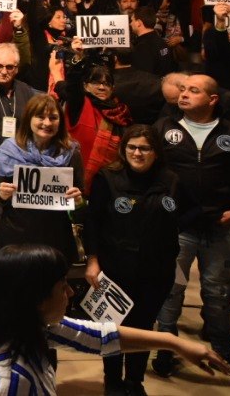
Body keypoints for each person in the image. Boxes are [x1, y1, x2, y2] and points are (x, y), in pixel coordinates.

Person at [0, 244, 230, 395]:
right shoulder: (12, 378)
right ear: (35, 298)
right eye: (62, 286)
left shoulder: (26, 328)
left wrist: (174, 342)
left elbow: (98, 336)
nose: (71, 293)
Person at [85, 124, 189, 395]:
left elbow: (187, 215)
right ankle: (112, 381)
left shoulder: (172, 180)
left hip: (156, 270)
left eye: (145, 148)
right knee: (112, 328)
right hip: (114, 267)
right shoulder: (107, 177)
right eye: (132, 147)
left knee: (143, 327)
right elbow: (92, 222)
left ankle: (134, 382)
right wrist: (92, 261)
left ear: (156, 152)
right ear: (123, 149)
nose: (137, 153)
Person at [152, 74, 230, 379]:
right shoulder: (163, 129)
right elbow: (149, 172)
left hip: (219, 226)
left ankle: (223, 353)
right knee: (171, 290)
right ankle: (166, 349)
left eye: (194, 90)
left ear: (212, 99)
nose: (184, 94)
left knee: (217, 293)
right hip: (177, 226)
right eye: (183, 89)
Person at [0, 94, 84, 262]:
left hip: (55, 235)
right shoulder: (8, 150)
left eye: (53, 118)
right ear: (28, 118)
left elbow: (80, 199)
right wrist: (2, 195)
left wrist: (78, 202)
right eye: (40, 117)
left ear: (60, 122)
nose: (47, 123)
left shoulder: (71, 152)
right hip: (15, 234)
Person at [56, 53, 131, 194]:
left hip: (106, 186)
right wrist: (78, 60)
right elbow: (72, 85)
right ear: (85, 86)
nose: (102, 87)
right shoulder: (79, 104)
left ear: (112, 88)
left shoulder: (121, 113)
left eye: (107, 83)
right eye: (96, 82)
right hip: (73, 185)